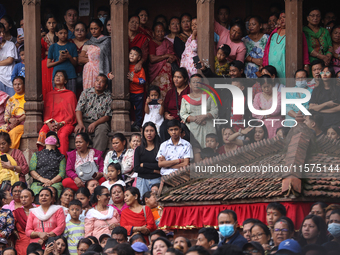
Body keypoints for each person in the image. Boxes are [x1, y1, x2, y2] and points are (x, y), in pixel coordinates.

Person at [37, 70, 77, 157]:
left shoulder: (70, 95)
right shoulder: (49, 95)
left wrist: (61, 124)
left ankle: (62, 161)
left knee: (62, 135)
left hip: (66, 124)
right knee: (43, 132)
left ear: (65, 81)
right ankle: (41, 158)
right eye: (56, 76)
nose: (58, 77)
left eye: (61, 76)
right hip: (51, 123)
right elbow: (46, 113)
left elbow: (72, 115)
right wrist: (49, 124)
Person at [264, 11, 310, 83]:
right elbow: (267, 51)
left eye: (284, 17)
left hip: (286, 68)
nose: (282, 19)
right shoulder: (274, 33)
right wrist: (264, 65)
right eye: (280, 18)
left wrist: (306, 65)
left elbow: (304, 49)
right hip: (272, 67)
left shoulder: (296, 32)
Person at [74, 74, 112, 152]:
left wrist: (95, 124)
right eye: (97, 80)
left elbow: (107, 116)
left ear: (106, 86)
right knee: (79, 131)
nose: (98, 83)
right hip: (85, 120)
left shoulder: (109, 96)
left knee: (102, 130)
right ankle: (83, 155)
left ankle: (96, 157)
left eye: (102, 82)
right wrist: (80, 123)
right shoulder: (86, 92)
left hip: (100, 122)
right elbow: (78, 109)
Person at [180, 74, 218, 148]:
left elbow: (215, 111)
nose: (196, 84)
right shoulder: (185, 98)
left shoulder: (209, 95)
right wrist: (195, 119)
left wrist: (204, 116)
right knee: (194, 149)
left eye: (198, 82)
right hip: (192, 129)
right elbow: (183, 114)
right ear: (190, 85)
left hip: (208, 126)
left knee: (210, 151)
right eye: (193, 82)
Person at [29, 131, 66, 197]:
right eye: (49, 137)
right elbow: (32, 170)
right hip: (38, 182)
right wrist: (42, 180)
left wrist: (51, 182)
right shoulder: (36, 155)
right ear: (45, 142)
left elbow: (62, 173)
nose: (51, 138)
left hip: (55, 183)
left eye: (53, 137)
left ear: (57, 144)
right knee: (37, 191)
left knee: (53, 191)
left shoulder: (61, 157)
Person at [160, 68, 190, 142]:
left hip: (184, 120)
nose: (175, 79)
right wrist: (166, 115)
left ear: (185, 79)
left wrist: (186, 118)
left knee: (183, 128)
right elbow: (166, 108)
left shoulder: (189, 91)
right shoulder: (170, 92)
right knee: (163, 127)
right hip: (172, 120)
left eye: (179, 77)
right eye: (174, 77)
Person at [79, 19, 111, 90]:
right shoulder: (89, 42)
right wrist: (93, 58)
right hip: (88, 73)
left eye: (96, 28)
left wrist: (88, 56)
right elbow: (80, 59)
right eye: (91, 29)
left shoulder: (107, 41)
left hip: (101, 71)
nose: (93, 31)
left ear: (101, 28)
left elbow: (106, 57)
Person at [47, 23, 78, 94]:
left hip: (70, 75)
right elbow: (48, 65)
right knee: (57, 98)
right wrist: (59, 61)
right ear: (56, 34)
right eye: (61, 33)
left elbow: (75, 63)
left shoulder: (72, 46)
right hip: (57, 76)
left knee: (71, 96)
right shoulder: (53, 47)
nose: (63, 35)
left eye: (65, 33)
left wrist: (69, 56)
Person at [149, 23, 177, 99]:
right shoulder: (152, 43)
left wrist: (171, 58)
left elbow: (173, 55)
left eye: (162, 31)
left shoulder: (167, 42)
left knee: (169, 94)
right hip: (156, 74)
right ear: (153, 33)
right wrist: (166, 56)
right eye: (158, 31)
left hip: (168, 75)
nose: (160, 34)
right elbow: (152, 59)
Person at [309, 66, 340, 131]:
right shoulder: (317, 90)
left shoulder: (338, 89)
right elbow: (311, 107)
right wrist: (326, 104)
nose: (324, 74)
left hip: (335, 122)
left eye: (327, 72)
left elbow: (338, 108)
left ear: (332, 74)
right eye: (323, 72)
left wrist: (320, 109)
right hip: (321, 122)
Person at [134, 122, 161, 197]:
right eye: (147, 131)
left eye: (151, 131)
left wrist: (144, 165)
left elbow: (160, 165)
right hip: (142, 180)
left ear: (155, 132)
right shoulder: (139, 149)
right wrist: (154, 170)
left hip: (156, 180)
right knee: (142, 202)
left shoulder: (160, 148)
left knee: (157, 202)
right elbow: (136, 168)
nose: (149, 133)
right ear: (143, 133)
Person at [0, 76, 25, 149]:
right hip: (11, 123)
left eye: (19, 84)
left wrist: (17, 121)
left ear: (24, 85)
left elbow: (29, 113)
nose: (17, 86)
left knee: (12, 133)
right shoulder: (11, 100)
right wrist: (11, 120)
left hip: (23, 124)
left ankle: (10, 154)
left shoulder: (28, 98)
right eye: (15, 84)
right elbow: (6, 116)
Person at [128, 46, 146, 132]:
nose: (132, 56)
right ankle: (130, 123)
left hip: (138, 93)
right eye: (130, 53)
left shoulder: (139, 68)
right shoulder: (126, 66)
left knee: (138, 110)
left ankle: (138, 125)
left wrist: (133, 80)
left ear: (139, 58)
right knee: (129, 108)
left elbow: (143, 81)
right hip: (128, 92)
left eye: (135, 54)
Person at [13, 189, 35, 255]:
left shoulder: (39, 211)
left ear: (32, 198)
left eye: (26, 197)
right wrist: (14, 231)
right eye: (21, 197)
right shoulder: (17, 212)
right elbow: (9, 225)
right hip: (22, 243)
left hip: (37, 240)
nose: (23, 199)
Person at [41, 14, 57, 100]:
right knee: (46, 85)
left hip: (58, 61)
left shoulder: (60, 35)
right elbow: (42, 54)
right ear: (46, 25)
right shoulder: (43, 38)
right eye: (49, 23)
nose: (51, 25)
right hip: (46, 63)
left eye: (54, 23)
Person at [69, 21, 88, 90]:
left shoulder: (90, 42)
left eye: (82, 30)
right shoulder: (69, 42)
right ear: (73, 31)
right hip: (71, 72)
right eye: (77, 30)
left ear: (86, 32)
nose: (79, 32)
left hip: (87, 72)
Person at [0, 22, 17, 97]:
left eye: (3, 32)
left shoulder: (10, 44)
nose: (2, 34)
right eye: (0, 32)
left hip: (9, 78)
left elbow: (10, 60)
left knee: (12, 102)